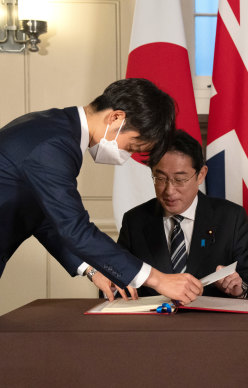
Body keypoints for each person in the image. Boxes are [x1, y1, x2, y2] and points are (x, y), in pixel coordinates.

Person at [0, 78, 202, 304]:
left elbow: (45, 217)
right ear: (116, 117)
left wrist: (92, 269)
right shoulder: (54, 145)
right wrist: (158, 279)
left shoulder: (54, 127)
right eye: (131, 147)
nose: (126, 156)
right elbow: (74, 228)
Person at [117, 130, 248, 298]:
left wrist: (240, 288)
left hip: (212, 321)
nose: (169, 190)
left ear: (201, 175)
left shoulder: (230, 218)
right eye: (160, 179)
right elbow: (119, 281)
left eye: (180, 179)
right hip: (155, 321)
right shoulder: (135, 221)